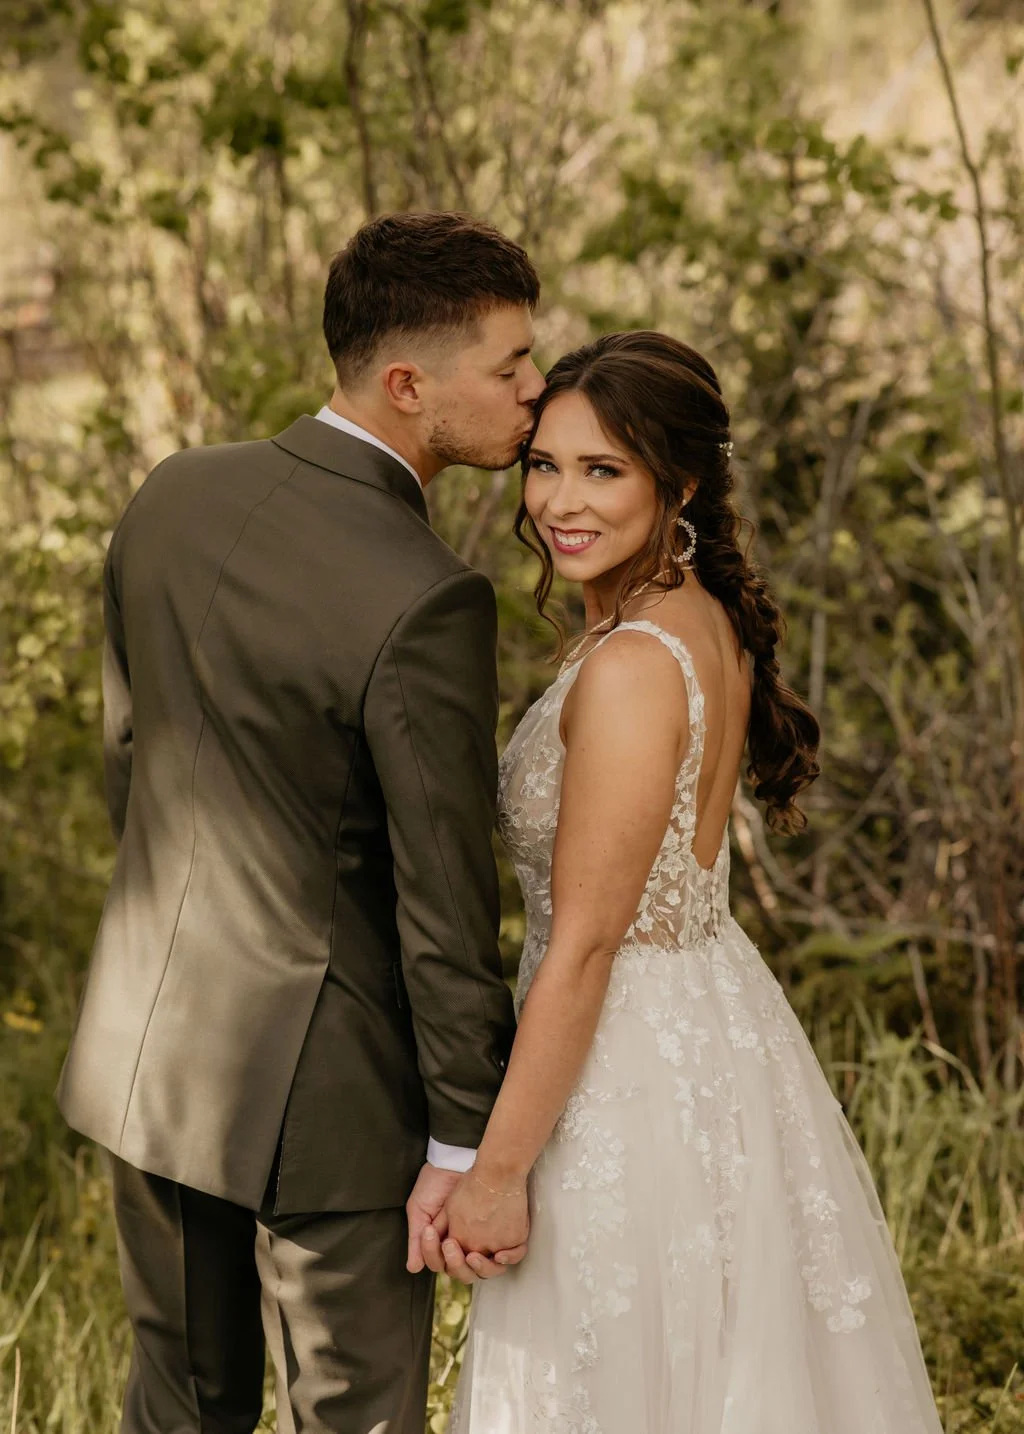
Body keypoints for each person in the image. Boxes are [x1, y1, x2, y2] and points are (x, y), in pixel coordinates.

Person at [55, 210, 544, 1434]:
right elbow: (445, 906)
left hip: (149, 1050)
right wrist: (463, 1140)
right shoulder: (427, 598)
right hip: (332, 1106)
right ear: (406, 385)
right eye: (510, 367)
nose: (535, 391)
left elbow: (130, 761)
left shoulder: (173, 493)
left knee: (178, 1410)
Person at [438, 331, 945, 1433]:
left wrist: (497, 1174)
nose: (559, 502)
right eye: (545, 465)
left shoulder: (632, 665)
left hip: (620, 1071)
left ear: (681, 485)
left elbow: (586, 944)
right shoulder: (696, 619)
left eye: (602, 469)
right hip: (708, 1028)